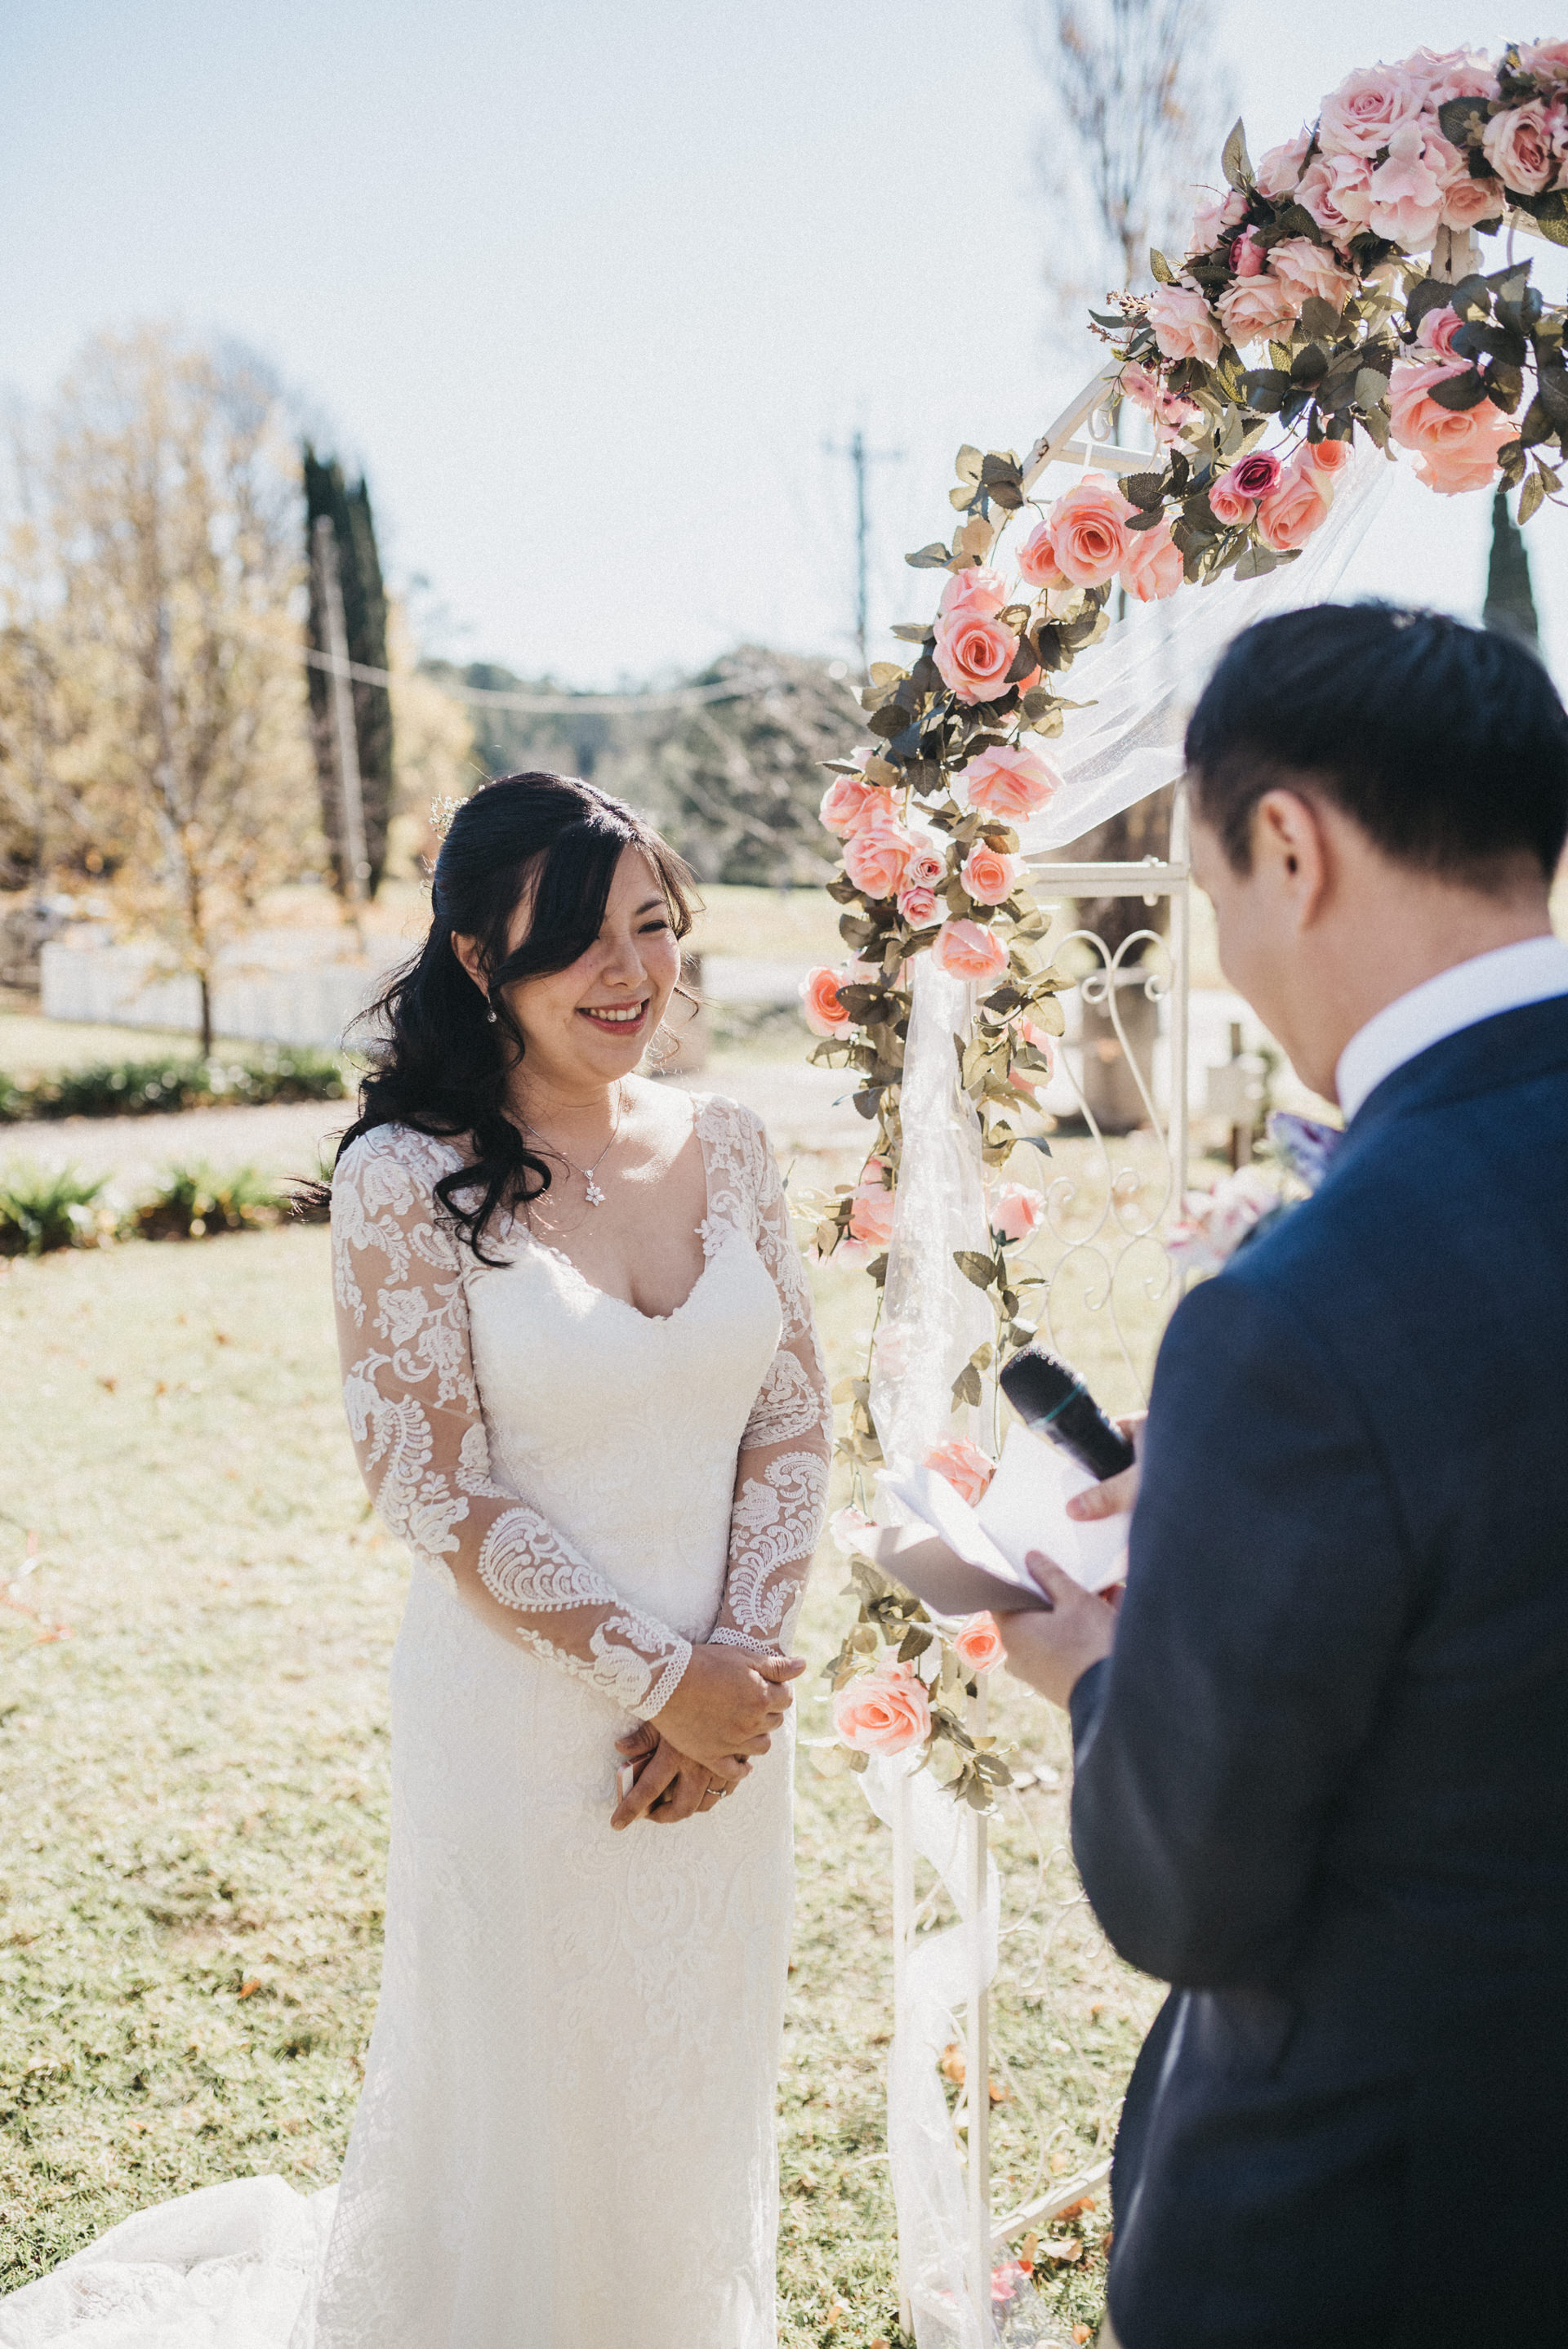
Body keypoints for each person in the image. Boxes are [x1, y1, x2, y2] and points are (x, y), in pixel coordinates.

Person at [0, 773, 831, 2349]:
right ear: (474, 958)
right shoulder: (404, 1175)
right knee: (527, 2102)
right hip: (527, 1727)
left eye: (654, 928)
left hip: (735, 1724)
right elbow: (436, 1492)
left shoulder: (732, 1145)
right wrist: (670, 1680)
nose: (630, 974)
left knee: (688, 2073)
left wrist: (743, 1673)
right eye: (577, 939)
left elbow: (789, 1422)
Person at [996, 604, 1568, 2349]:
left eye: (1212, 888)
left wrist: (1098, 1668)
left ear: (1289, 847)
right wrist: (1273, 1494)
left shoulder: (1303, 1315)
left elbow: (1188, 1894)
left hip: (1399, 2227)